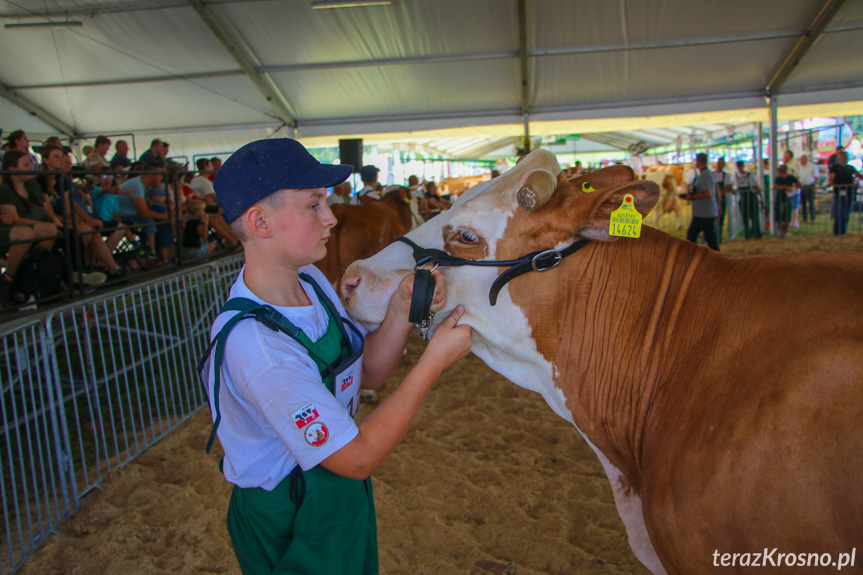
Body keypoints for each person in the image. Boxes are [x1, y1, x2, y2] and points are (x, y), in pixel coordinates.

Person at [204, 138, 471, 575]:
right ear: (259, 221)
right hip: (288, 511)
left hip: (336, 491)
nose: (330, 218)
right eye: (313, 205)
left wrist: (402, 310)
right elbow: (359, 457)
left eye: (326, 202)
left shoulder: (310, 280)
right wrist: (433, 361)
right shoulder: (259, 347)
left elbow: (366, 375)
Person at [0, 151, 63, 295]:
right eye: (26, 164)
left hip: (36, 225)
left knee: (52, 230)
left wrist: (54, 221)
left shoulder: (32, 184)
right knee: (28, 232)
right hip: (17, 229)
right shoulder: (4, 190)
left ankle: (33, 271)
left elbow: (46, 209)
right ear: (12, 169)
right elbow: (13, 220)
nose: (30, 168)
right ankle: (8, 277)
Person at [118, 164, 173, 260]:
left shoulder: (145, 186)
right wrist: (167, 217)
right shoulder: (136, 185)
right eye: (160, 175)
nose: (162, 178)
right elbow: (144, 212)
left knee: (159, 218)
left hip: (134, 215)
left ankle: (162, 254)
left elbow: (147, 206)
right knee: (153, 220)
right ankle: (153, 252)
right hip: (124, 216)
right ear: (152, 176)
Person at [681, 152, 719, 251]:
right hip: (701, 213)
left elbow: (707, 193)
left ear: (698, 162)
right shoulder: (703, 174)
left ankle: (719, 260)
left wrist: (693, 197)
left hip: (705, 213)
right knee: (692, 237)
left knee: (710, 240)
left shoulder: (705, 175)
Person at [828, 151, 863, 236]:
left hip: (849, 192)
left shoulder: (850, 168)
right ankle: (837, 231)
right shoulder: (835, 167)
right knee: (840, 212)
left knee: (846, 212)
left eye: (845, 157)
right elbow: (831, 177)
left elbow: (858, 175)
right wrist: (831, 185)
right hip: (839, 192)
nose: (844, 158)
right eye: (842, 157)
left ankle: (843, 231)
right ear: (839, 158)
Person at [733, 160, 762, 239]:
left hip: (751, 197)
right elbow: (734, 187)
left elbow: (755, 186)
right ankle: (747, 233)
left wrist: (760, 197)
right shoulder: (736, 177)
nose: (739, 168)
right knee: (745, 217)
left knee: (754, 216)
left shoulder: (750, 175)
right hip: (742, 198)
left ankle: (756, 233)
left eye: (741, 166)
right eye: (738, 167)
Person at [773, 164, 800, 238]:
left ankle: (784, 231)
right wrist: (786, 187)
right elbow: (775, 186)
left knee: (787, 217)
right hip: (779, 199)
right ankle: (782, 233)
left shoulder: (791, 178)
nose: (779, 173)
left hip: (787, 199)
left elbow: (799, 184)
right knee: (779, 217)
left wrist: (794, 187)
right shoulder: (778, 179)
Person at [713, 157, 733, 243]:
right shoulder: (711, 174)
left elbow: (729, 186)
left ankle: (719, 236)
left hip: (722, 199)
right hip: (712, 199)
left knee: (720, 218)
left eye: (721, 163)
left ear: (723, 165)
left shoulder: (726, 176)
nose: (719, 165)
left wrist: (722, 192)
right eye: (718, 163)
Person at [798, 154, 819, 223]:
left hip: (810, 185)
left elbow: (817, 177)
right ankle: (804, 218)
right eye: (801, 159)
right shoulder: (799, 167)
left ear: (806, 159)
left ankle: (813, 218)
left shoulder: (812, 166)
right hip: (802, 186)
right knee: (803, 203)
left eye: (803, 159)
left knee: (811, 202)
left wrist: (816, 186)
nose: (802, 161)